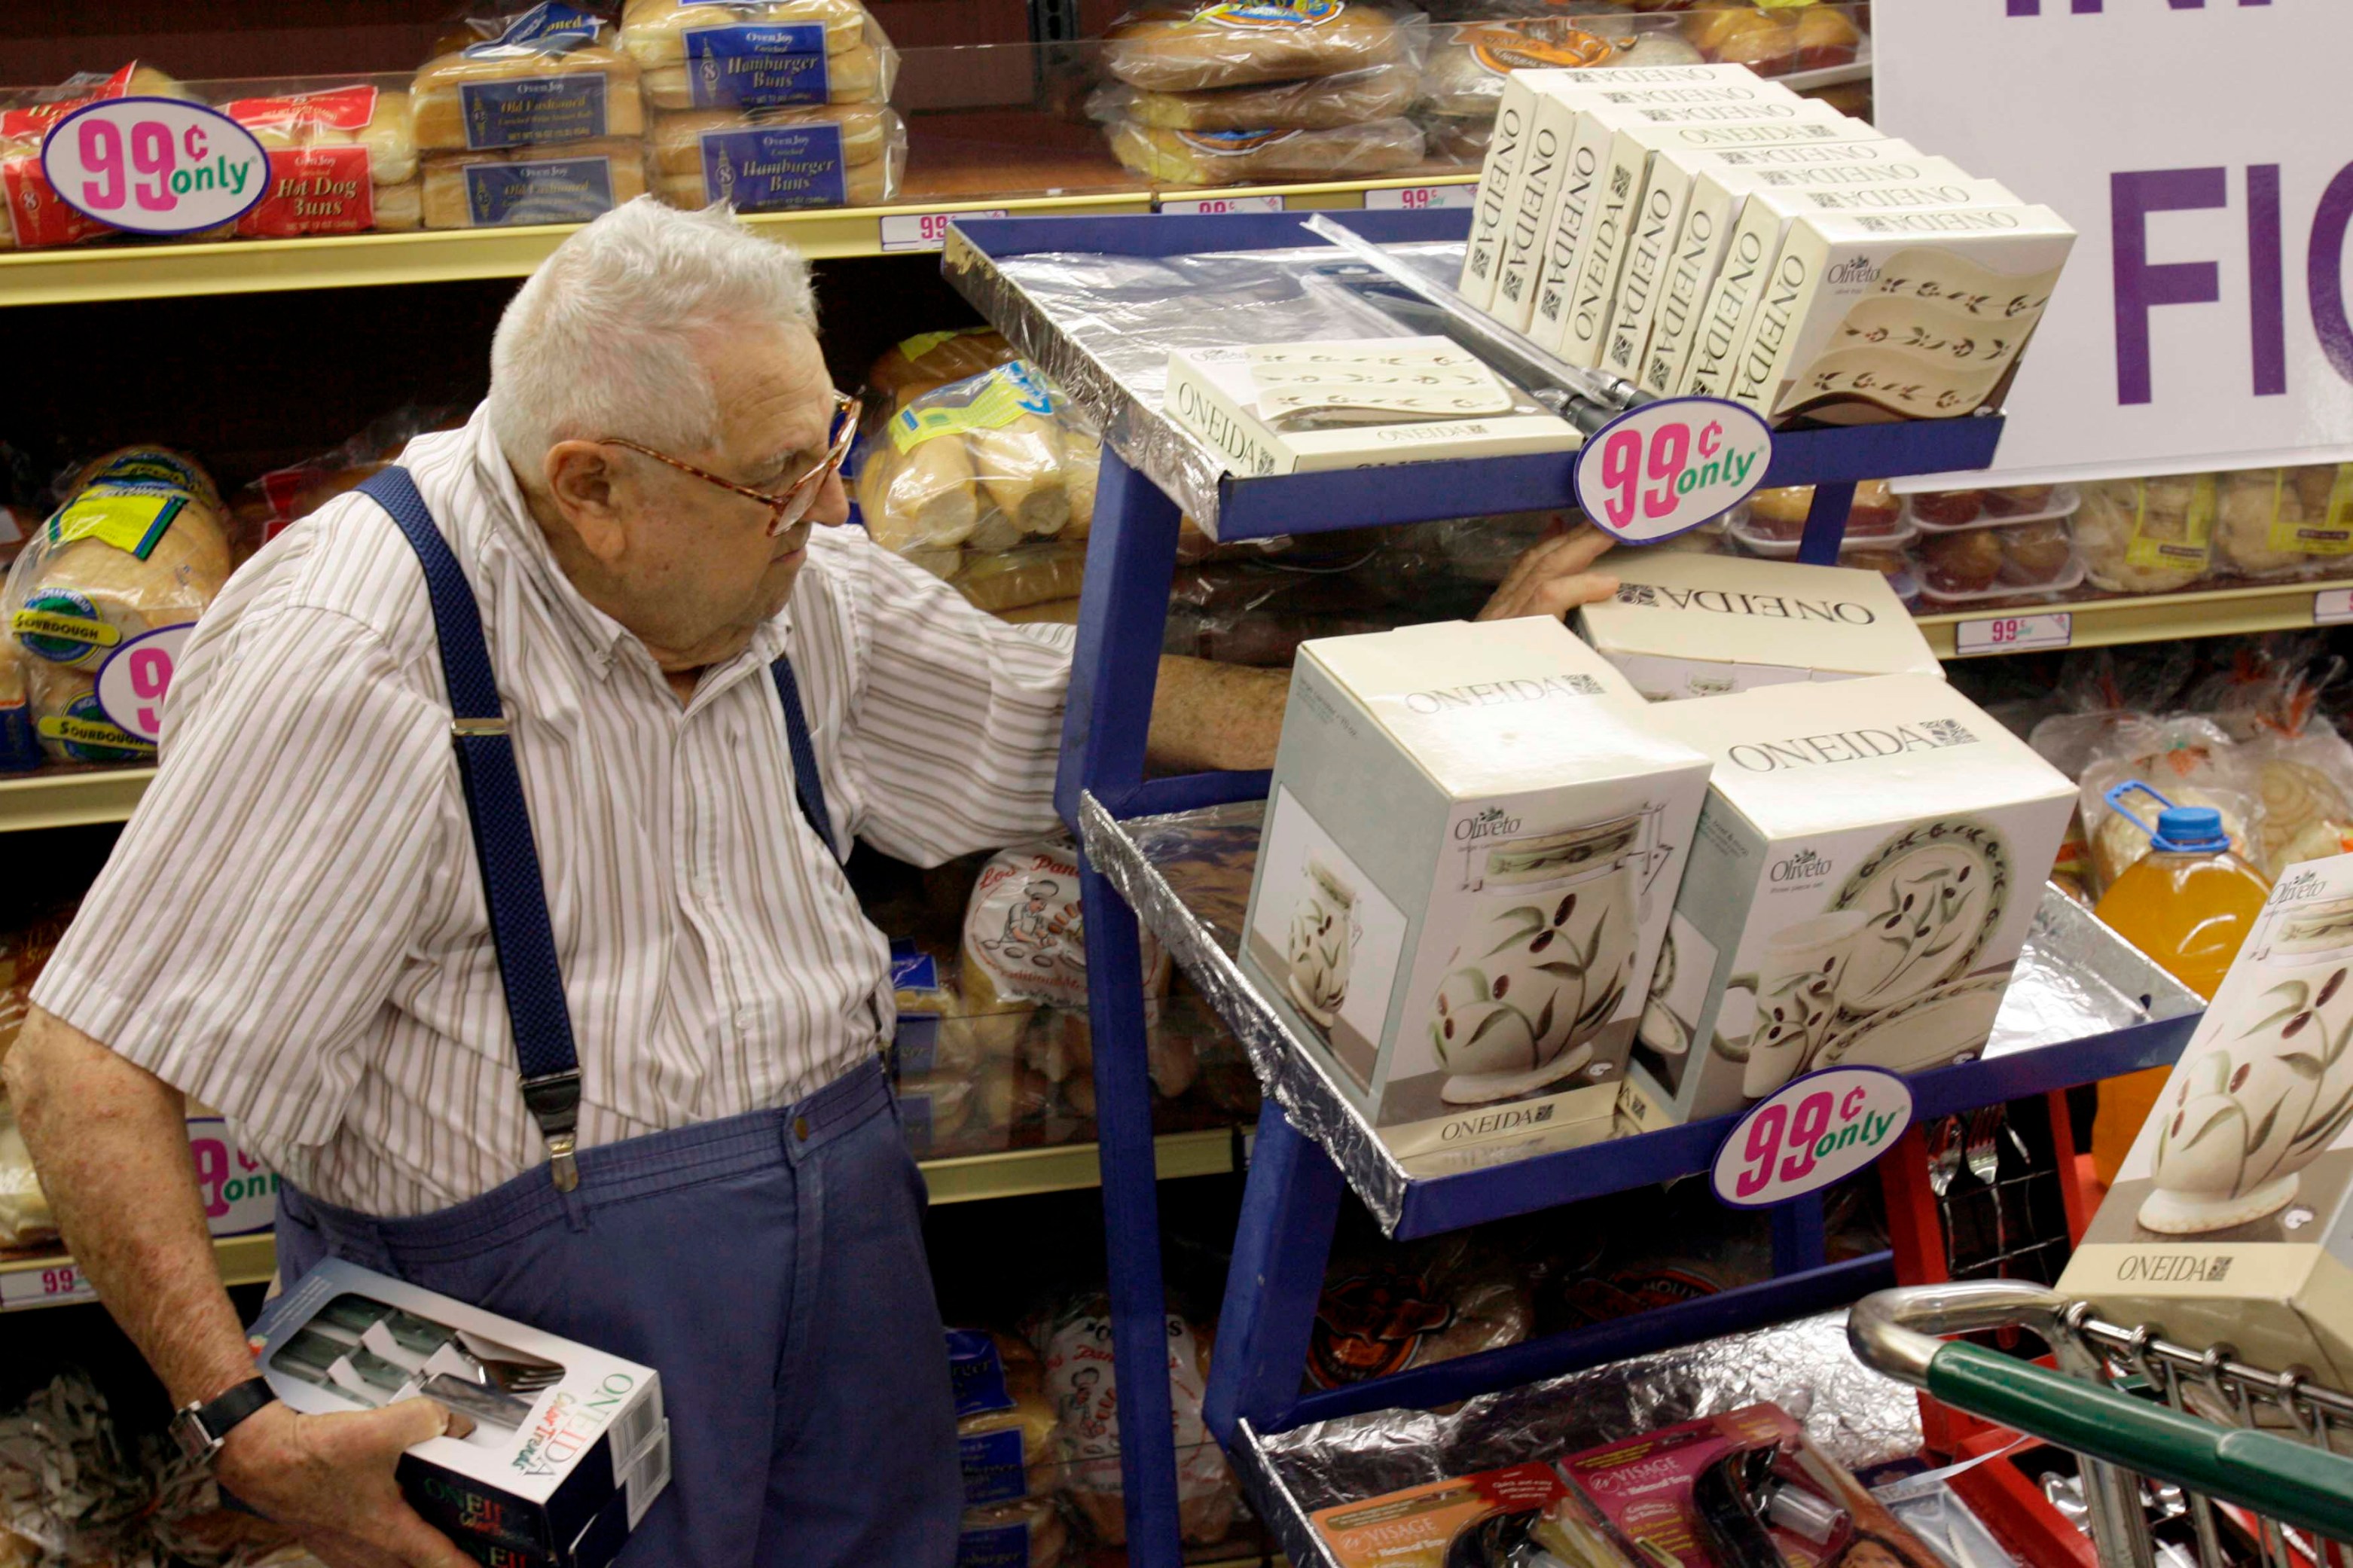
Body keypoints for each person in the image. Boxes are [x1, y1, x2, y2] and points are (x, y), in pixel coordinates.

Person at [3, 197, 1624, 1568]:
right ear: (593, 487)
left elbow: (1074, 706)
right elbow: (84, 1066)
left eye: (827, 440)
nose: (830, 506)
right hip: (526, 1303)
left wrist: (1430, 676)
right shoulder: (353, 657)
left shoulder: (780, 584)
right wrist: (245, 1427)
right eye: (784, 473)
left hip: (840, 1231)